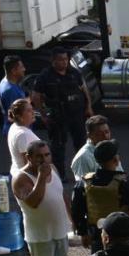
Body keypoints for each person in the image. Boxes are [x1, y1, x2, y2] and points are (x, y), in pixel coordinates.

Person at [12, 140, 72, 256]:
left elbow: (61, 194)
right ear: (28, 157)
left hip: (60, 230)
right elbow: (33, 202)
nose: (44, 159)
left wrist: (72, 219)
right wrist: (40, 177)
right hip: (40, 236)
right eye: (39, 156)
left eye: (47, 155)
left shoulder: (52, 168)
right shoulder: (21, 178)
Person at [72, 140, 129, 255]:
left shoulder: (84, 183)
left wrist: (83, 233)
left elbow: (76, 209)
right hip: (125, 239)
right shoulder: (126, 185)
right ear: (116, 160)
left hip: (98, 238)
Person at [28, 47, 93, 182]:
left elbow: (84, 89)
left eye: (65, 59)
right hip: (58, 117)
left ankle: (84, 172)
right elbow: (35, 96)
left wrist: (88, 107)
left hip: (76, 114)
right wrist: (43, 114)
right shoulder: (45, 76)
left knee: (81, 144)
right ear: (53, 60)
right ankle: (60, 176)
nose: (63, 62)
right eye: (60, 59)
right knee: (58, 148)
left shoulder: (73, 73)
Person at [70, 115, 117, 182]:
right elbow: (83, 186)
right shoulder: (83, 157)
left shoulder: (109, 148)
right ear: (89, 135)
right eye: (100, 134)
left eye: (107, 132)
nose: (106, 136)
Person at [6, 98, 39, 184]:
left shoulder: (14, 126)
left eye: (32, 109)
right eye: (28, 111)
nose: (33, 113)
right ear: (20, 117)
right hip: (28, 181)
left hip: (20, 176)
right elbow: (28, 165)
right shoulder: (23, 135)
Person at [0, 55, 27, 136]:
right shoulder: (10, 90)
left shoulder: (5, 82)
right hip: (18, 132)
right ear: (14, 71)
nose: (24, 69)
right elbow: (14, 115)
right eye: (22, 67)